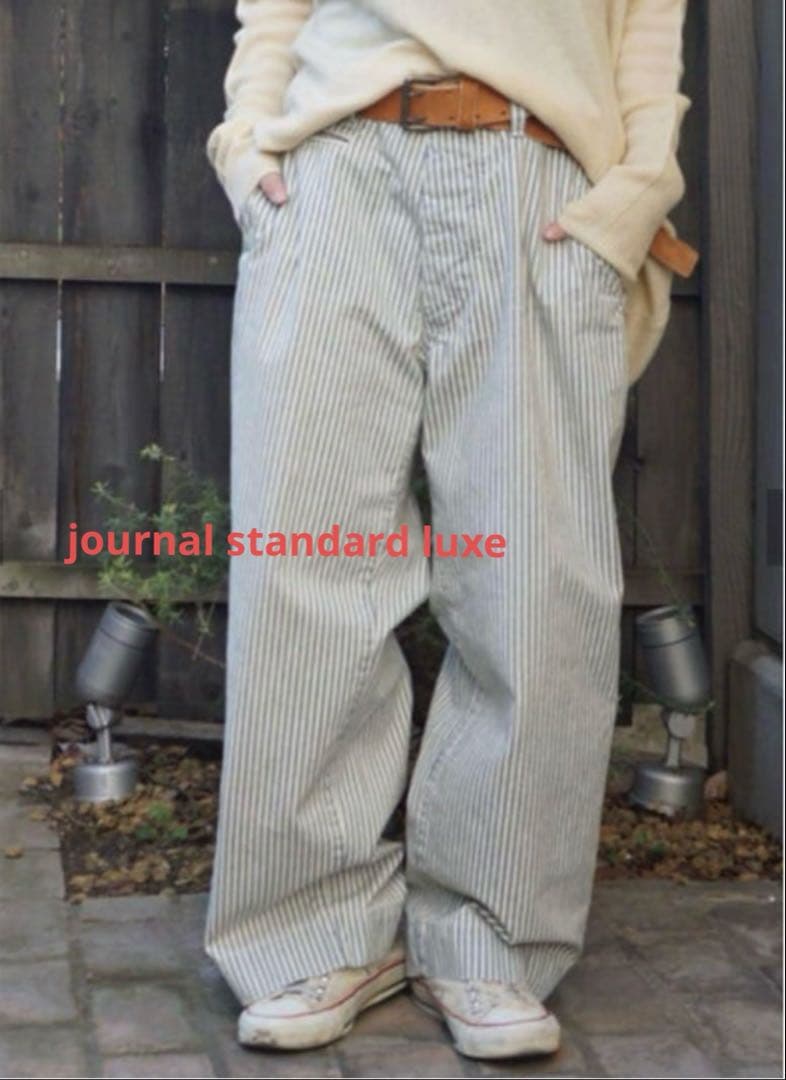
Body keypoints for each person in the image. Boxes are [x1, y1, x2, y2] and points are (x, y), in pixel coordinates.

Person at [203, 0, 697, 1062]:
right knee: (305, 567)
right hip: (334, 171)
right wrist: (246, 148)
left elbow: (649, 29)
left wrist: (632, 197)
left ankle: (490, 939)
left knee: (534, 580)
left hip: (539, 181)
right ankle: (305, 931)